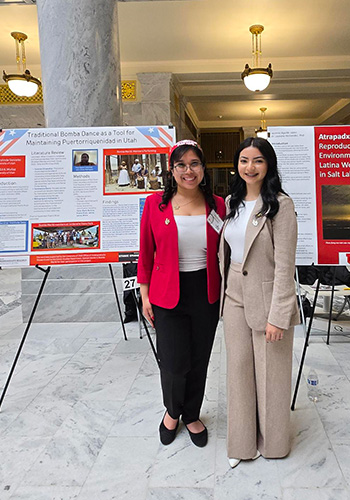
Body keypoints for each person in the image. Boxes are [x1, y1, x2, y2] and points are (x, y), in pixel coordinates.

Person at [137, 139, 226, 448]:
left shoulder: (218, 204)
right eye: (181, 165)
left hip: (206, 291)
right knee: (174, 361)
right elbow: (146, 254)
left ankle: (192, 414)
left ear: (203, 168)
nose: (189, 171)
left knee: (199, 358)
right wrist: (145, 295)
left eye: (195, 164)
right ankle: (172, 412)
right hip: (165, 293)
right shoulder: (154, 205)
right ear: (171, 170)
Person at [219, 137, 299, 468]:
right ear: (236, 165)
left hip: (268, 296)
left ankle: (274, 444)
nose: (250, 167)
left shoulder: (281, 205)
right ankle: (241, 444)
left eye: (258, 161)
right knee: (238, 370)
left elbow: (285, 264)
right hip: (234, 293)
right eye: (243, 160)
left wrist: (279, 315)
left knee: (271, 375)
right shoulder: (231, 202)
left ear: (269, 165)